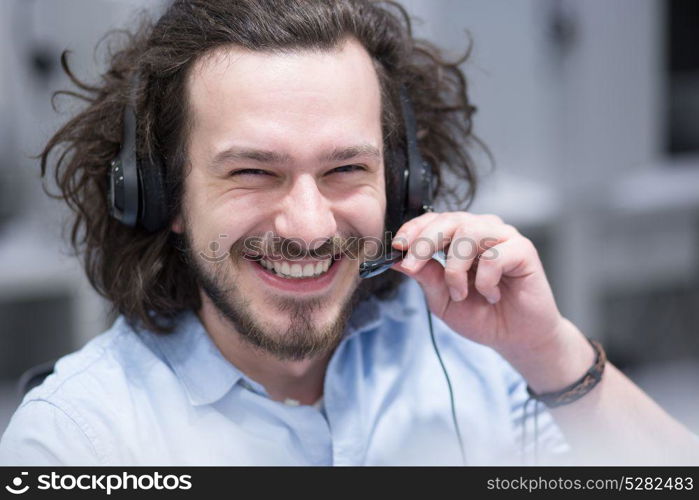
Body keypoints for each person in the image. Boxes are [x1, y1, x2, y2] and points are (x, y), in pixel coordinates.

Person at [1, 0, 697, 466]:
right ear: (161, 194)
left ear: (400, 186)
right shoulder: (77, 440)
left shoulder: (475, 361)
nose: (308, 227)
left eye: (343, 169)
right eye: (252, 172)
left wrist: (547, 352)